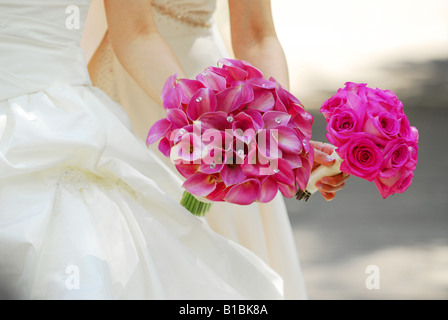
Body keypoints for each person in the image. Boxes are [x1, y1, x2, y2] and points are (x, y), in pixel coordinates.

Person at [0, 0, 291, 299]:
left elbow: (138, 35)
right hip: (119, 90)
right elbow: (135, 35)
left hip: (182, 86)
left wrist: (280, 132)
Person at [84, 0, 349, 299]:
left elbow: (257, 35)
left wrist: (284, 133)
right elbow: (135, 34)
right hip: (149, 84)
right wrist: (207, 125)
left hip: (223, 89)